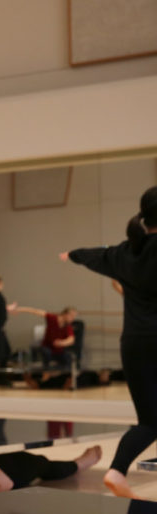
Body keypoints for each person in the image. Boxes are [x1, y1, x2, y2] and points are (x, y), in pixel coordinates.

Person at [61, 185, 157, 498]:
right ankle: (117, 470)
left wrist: (71, 255)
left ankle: (117, 470)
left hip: (134, 344)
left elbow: (94, 256)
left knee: (150, 420)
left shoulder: (126, 252)